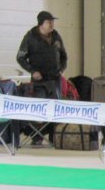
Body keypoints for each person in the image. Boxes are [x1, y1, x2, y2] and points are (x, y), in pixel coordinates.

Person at [16, 11, 68, 145]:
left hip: (55, 79)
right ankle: (36, 136)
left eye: (52, 21)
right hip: (39, 81)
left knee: (56, 109)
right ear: (41, 24)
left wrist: (61, 69)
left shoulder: (56, 36)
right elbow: (20, 57)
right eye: (49, 22)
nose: (52, 24)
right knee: (38, 109)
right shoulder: (30, 37)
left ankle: (54, 137)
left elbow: (64, 56)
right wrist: (32, 71)